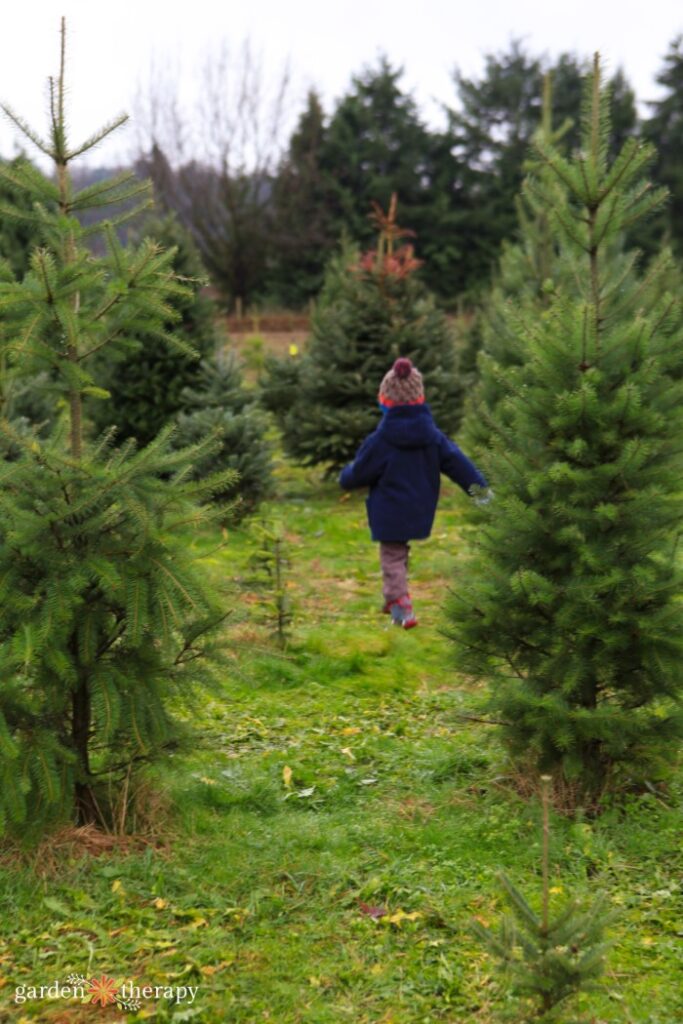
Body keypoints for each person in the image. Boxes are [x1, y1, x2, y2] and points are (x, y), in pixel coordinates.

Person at [339, 357, 491, 628]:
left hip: (389, 508)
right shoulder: (432, 436)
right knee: (400, 550)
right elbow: (457, 462)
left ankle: (400, 604)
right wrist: (479, 490)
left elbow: (360, 472)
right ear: (420, 398)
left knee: (392, 554)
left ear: (385, 400)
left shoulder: (382, 440)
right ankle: (393, 598)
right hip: (419, 507)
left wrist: (345, 477)